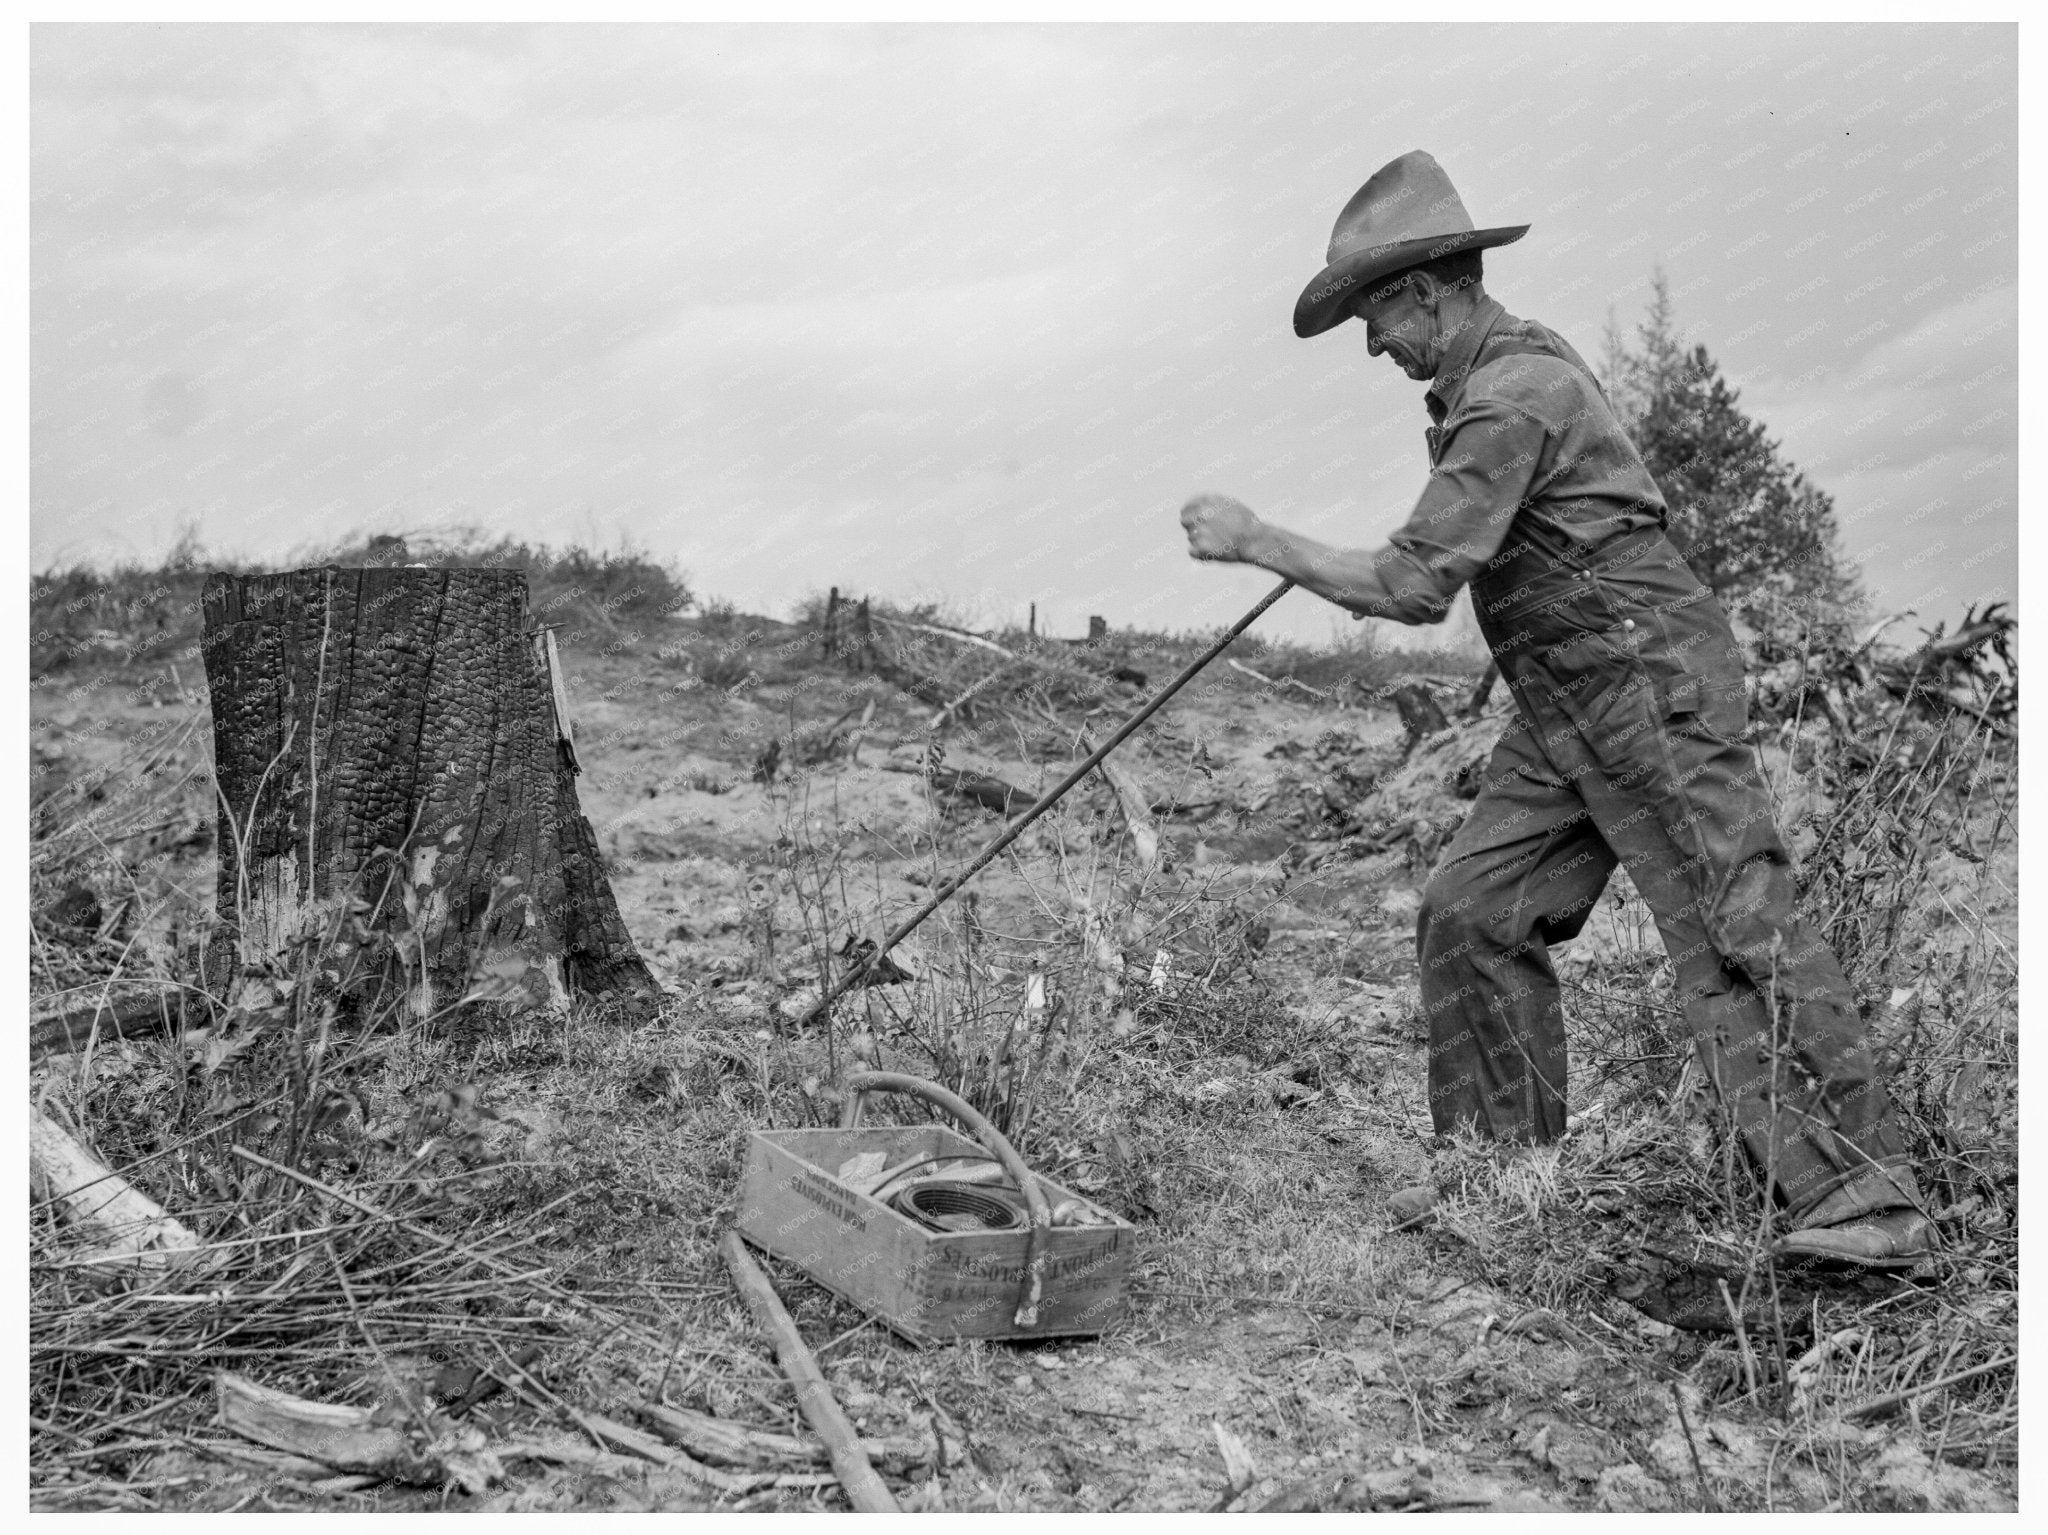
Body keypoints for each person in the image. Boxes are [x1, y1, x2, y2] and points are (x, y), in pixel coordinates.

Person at [1179, 150, 1931, 1269]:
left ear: (1424, 290)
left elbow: (1412, 585)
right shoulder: (1486, 390)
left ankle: (1869, 1202)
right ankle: (1502, 1181)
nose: (1372, 346)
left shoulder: (1515, 392)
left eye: (1373, 318)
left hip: (1644, 679)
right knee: (1472, 905)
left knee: (1731, 915)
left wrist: (1257, 542)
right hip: (1566, 700)